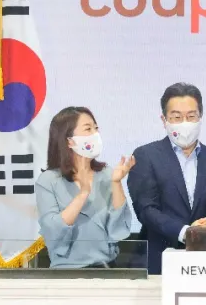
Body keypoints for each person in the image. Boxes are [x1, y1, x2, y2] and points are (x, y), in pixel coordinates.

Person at [127, 83, 206, 275]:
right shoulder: (145, 156)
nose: (184, 123)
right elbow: (146, 209)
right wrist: (186, 232)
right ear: (164, 120)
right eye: (176, 117)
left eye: (191, 116)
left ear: (200, 117)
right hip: (159, 259)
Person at [36, 106, 134, 269]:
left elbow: (119, 229)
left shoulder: (106, 173)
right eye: (88, 129)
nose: (95, 134)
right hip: (66, 271)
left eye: (96, 128)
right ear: (69, 140)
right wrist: (83, 193)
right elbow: (53, 231)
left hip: (106, 269)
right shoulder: (48, 180)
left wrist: (116, 183)